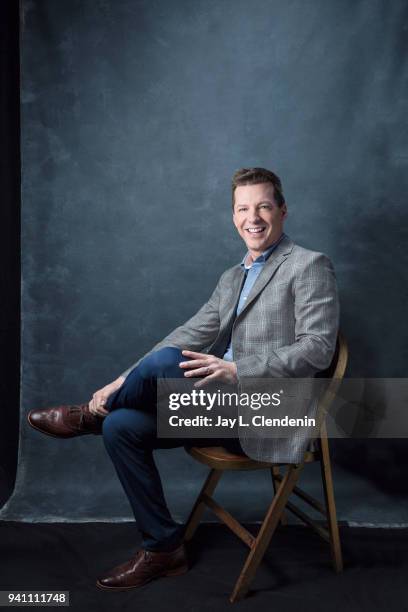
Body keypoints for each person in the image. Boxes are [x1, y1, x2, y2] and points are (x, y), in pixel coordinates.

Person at [27, 167, 339, 591]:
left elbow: (318, 348)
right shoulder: (233, 277)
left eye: (264, 206)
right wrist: (121, 381)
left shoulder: (308, 265)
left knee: (160, 367)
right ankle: (163, 549)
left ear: (283, 211)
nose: (254, 217)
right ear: (233, 217)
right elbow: (188, 334)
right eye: (243, 208)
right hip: (218, 408)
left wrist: (237, 369)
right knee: (122, 426)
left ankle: (85, 418)